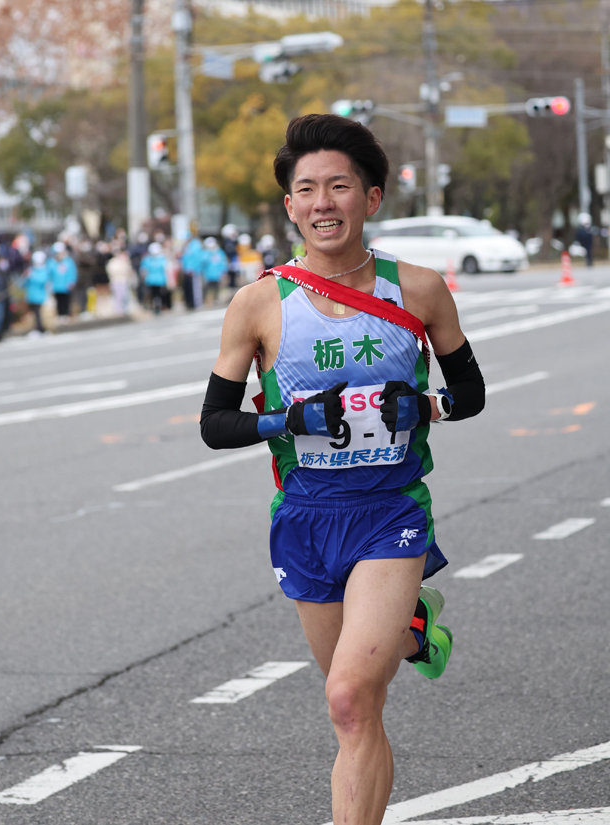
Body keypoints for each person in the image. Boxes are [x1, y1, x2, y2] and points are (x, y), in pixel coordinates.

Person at [200, 114, 486, 825]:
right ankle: (413, 629)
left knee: (349, 697)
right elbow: (214, 423)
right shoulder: (258, 303)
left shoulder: (417, 290)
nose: (323, 202)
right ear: (290, 206)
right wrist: (287, 420)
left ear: (372, 198)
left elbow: (470, 393)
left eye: (340, 186)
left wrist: (421, 405)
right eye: (307, 190)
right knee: (358, 707)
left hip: (390, 511)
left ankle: (404, 617)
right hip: (304, 518)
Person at [22, 250, 51, 334]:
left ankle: (41, 328)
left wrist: (32, 276)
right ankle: (37, 328)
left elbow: (43, 281)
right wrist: (26, 276)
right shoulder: (31, 270)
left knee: (40, 313)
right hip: (31, 295)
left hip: (40, 296)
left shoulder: (44, 270)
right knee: (34, 313)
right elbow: (24, 284)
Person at [48, 241, 77, 323]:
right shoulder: (52, 262)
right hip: (56, 286)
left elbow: (72, 272)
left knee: (66, 301)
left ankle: (66, 314)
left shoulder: (68, 261)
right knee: (58, 302)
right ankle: (60, 315)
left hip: (66, 286)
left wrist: (71, 282)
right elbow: (49, 274)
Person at [140, 241, 168, 314]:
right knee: (156, 294)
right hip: (157, 280)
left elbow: (143, 270)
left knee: (156, 294)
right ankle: (157, 305)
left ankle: (157, 306)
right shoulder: (160, 259)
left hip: (153, 280)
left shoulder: (148, 259)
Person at [200, 236, 228, 305]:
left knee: (217, 288)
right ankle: (207, 300)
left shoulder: (219, 252)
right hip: (208, 275)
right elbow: (203, 261)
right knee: (208, 288)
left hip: (217, 274)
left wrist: (224, 272)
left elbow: (223, 262)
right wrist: (209, 253)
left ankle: (216, 299)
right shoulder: (205, 253)